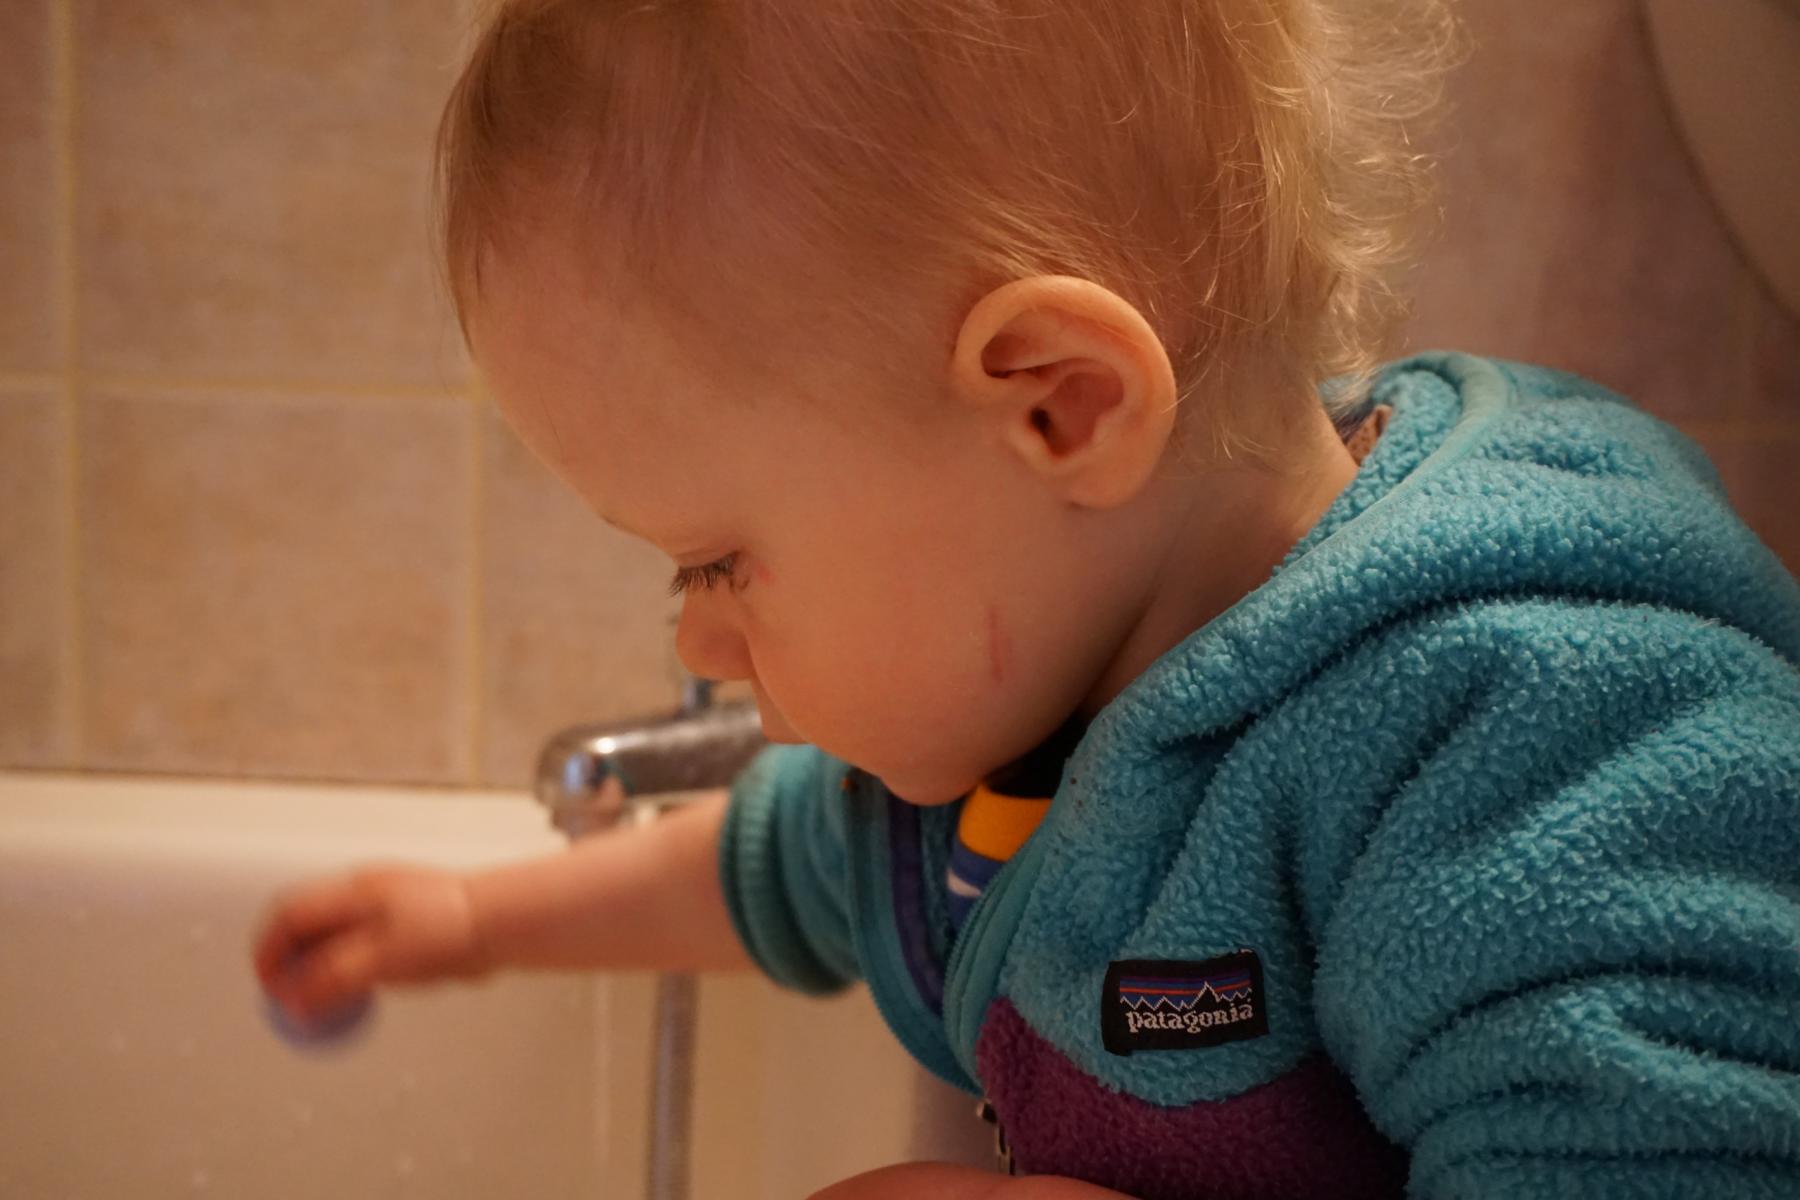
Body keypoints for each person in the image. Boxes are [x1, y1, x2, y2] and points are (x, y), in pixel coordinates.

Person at [253, 1, 1800, 1196]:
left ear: (1060, 408)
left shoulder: (1520, 741)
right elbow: (785, 865)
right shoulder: (1028, 701)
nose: (698, 641)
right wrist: (475, 922)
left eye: (717, 560)